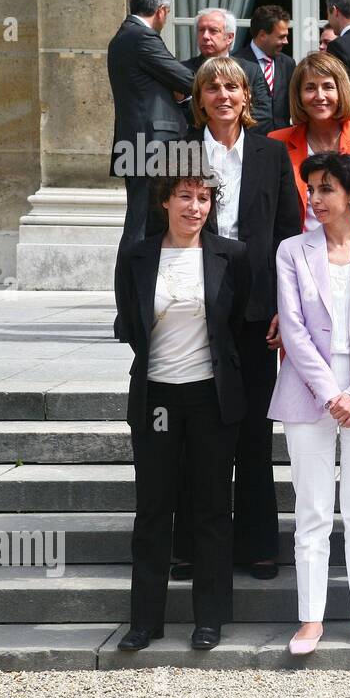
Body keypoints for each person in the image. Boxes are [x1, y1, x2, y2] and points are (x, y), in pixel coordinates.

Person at [167, 56, 299, 583]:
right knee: (195, 428)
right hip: (193, 309)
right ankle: (192, 545)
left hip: (256, 311)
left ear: (248, 97)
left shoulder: (271, 154)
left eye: (232, 87)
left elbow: (290, 236)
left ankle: (258, 542)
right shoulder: (179, 155)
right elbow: (159, 229)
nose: (223, 95)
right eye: (212, 87)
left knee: (251, 431)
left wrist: (284, 309)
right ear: (199, 99)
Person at [269, 151, 350, 655]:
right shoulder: (291, 251)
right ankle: (310, 618)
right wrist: (331, 394)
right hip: (309, 391)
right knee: (313, 509)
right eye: (311, 188)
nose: (315, 198)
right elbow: (294, 330)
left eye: (325, 188)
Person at [114, 170, 251, 652]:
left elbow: (231, 325)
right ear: (165, 202)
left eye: (204, 199)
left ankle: (209, 618)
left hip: (210, 398)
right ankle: (145, 620)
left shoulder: (230, 256)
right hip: (157, 399)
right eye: (185, 197)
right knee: (154, 508)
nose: (195, 207)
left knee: (212, 508)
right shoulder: (136, 256)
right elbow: (131, 323)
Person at [108, 0, 194, 251]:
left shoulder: (124, 36)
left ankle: (137, 286)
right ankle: (132, 288)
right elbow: (186, 78)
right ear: (161, 10)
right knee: (142, 222)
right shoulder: (141, 36)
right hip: (149, 144)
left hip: (138, 142)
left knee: (145, 219)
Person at [269, 51, 350, 230]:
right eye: (310, 88)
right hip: (298, 250)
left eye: (328, 87)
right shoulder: (277, 142)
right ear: (299, 97)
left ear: (341, 91)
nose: (319, 96)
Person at [181, 8, 273, 135]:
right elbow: (180, 113)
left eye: (213, 31)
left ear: (229, 37)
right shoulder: (184, 70)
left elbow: (263, 114)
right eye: (201, 30)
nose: (205, 36)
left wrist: (229, 131)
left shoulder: (250, 70)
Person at [234, 4, 296, 133]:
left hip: (281, 140)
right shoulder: (236, 63)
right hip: (250, 141)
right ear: (262, 35)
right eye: (281, 37)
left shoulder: (288, 63)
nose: (286, 42)